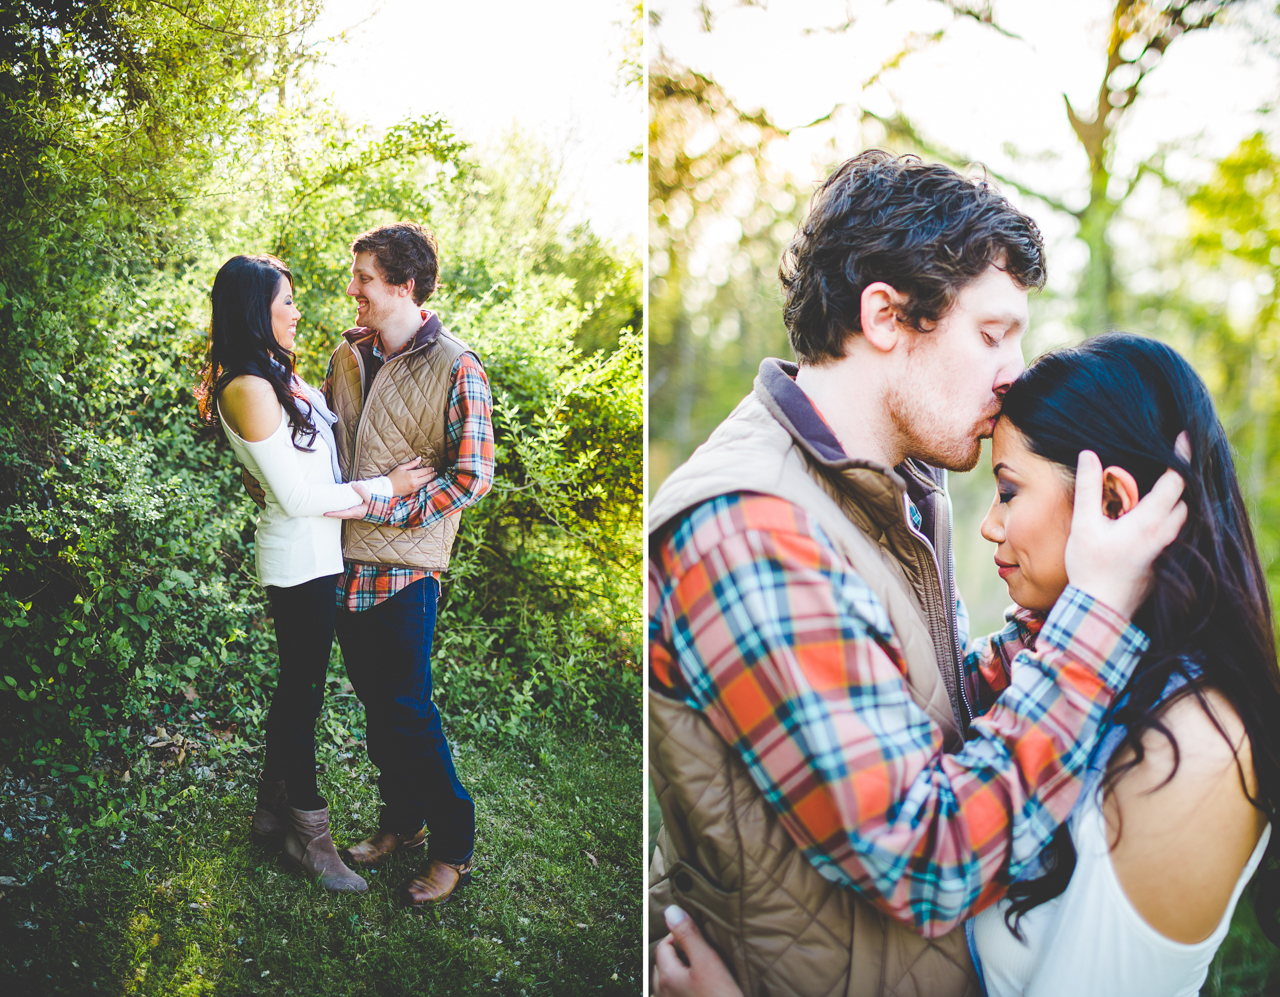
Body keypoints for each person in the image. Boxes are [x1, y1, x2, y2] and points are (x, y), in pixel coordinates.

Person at [647, 151, 1187, 996]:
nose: (1014, 371)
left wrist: (1066, 605)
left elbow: (913, 708)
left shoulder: (897, 485)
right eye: (992, 333)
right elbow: (926, 855)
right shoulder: (752, 527)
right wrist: (1094, 618)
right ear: (888, 316)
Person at [653, 334, 1280, 997]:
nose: (988, 524)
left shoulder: (1194, 751)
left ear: (1114, 504)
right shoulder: (1093, 672)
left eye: (1009, 491)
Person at [196, 254, 433, 893]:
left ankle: (271, 815)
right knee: (301, 696)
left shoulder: (278, 375)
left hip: (322, 557)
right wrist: (389, 486)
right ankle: (310, 834)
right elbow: (301, 498)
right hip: (298, 561)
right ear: (255, 312)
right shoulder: (245, 387)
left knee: (299, 690)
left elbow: (316, 475)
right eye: (286, 303)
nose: (298, 312)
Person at [319, 222, 494, 907]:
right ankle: (403, 822)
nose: (353, 288)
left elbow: (474, 476)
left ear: (404, 286)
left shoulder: (457, 365)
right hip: (345, 567)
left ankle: (455, 844)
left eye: (364, 277)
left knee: (409, 711)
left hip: (407, 572)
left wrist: (391, 510)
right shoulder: (347, 357)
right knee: (376, 709)